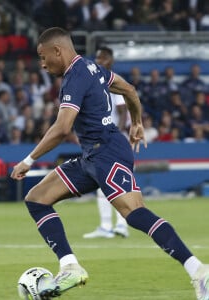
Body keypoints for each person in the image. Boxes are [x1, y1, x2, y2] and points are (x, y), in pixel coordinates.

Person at [10, 27, 209, 300]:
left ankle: (200, 272)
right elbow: (129, 89)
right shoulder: (93, 68)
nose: (42, 65)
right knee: (37, 199)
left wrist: (28, 160)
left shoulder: (75, 76)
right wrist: (136, 121)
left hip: (108, 152)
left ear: (58, 51)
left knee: (135, 213)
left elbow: (62, 127)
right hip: (92, 155)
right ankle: (70, 267)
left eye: (44, 57)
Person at [83, 46, 129, 239]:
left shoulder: (110, 79)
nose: (98, 60)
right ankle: (109, 226)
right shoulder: (98, 79)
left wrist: (114, 134)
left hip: (110, 138)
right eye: (97, 57)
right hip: (103, 137)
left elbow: (123, 110)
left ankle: (119, 225)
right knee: (105, 183)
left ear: (110, 60)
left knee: (113, 182)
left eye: (102, 57)